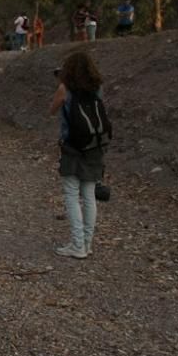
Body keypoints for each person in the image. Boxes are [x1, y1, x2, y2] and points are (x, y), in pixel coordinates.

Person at [48, 52, 106, 259]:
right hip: (94, 146)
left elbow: (52, 110)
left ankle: (77, 244)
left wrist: (61, 85)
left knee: (72, 194)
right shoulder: (97, 87)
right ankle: (87, 244)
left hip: (72, 146)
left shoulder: (65, 88)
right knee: (89, 195)